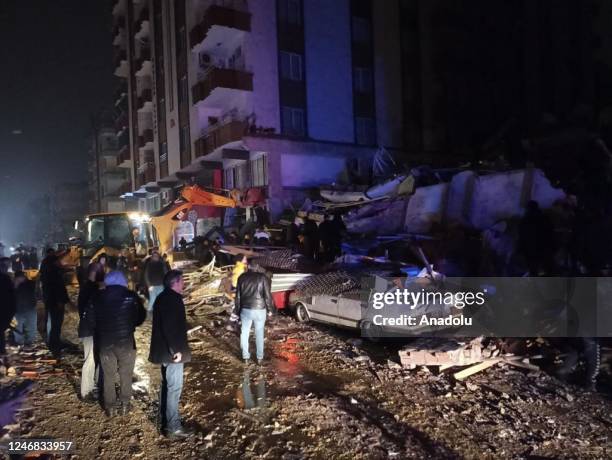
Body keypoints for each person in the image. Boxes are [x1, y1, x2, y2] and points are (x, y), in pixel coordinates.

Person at [86, 271, 146, 417]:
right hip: (126, 342)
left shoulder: (96, 297)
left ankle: (110, 407)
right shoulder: (131, 296)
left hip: (105, 342)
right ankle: (125, 404)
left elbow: (90, 319)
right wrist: (129, 324)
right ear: (122, 281)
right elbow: (140, 317)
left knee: (108, 375)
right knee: (126, 373)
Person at [149, 270, 193, 439]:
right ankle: (173, 427)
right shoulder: (172, 300)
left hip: (164, 352)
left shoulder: (162, 297)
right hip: (172, 354)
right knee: (174, 388)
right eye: (182, 281)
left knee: (168, 386)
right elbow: (169, 327)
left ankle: (165, 421)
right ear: (175, 282)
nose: (184, 284)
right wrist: (176, 350)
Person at [231, 264, 275, 364]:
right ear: (257, 268)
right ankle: (259, 358)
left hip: (245, 310)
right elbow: (268, 296)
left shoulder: (241, 277)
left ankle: (245, 357)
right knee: (259, 333)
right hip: (260, 310)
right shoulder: (262, 278)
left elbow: (238, 297)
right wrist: (270, 310)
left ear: (248, 268)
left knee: (244, 333)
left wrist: (237, 311)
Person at [77, 264, 102, 402]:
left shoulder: (87, 288)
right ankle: (86, 392)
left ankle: (91, 387)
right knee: (90, 360)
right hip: (89, 330)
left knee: (94, 359)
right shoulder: (91, 289)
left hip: (89, 328)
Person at [518, 200, 555, 276]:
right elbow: (551, 233)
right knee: (548, 272)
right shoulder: (545, 218)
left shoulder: (524, 221)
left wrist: (521, 250)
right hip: (545, 250)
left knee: (534, 273)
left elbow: (521, 238)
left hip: (531, 252)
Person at [44, 256, 70, 353]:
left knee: (55, 323)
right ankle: (54, 344)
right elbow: (57, 288)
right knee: (56, 323)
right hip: (56, 302)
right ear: (55, 262)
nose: (61, 262)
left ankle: (55, 341)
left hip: (53, 301)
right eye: (59, 261)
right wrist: (60, 301)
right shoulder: (54, 273)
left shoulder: (51, 271)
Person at [13, 271, 37, 348]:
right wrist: (16, 284)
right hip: (18, 309)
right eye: (20, 277)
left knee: (31, 326)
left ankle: (29, 342)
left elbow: (34, 290)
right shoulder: (12, 285)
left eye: (23, 277)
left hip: (30, 308)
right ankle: (19, 343)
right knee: (17, 327)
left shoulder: (30, 283)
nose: (22, 278)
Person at [0, 258, 16, 355]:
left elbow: (11, 296)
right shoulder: (6, 279)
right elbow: (11, 297)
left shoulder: (6, 279)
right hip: (4, 310)